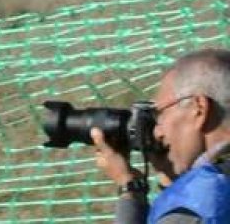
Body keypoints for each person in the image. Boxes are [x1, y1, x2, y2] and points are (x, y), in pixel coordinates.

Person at [91, 49, 230, 223]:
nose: (157, 131)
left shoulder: (200, 205)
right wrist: (171, 181)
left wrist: (129, 187)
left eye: (159, 115)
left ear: (199, 109)